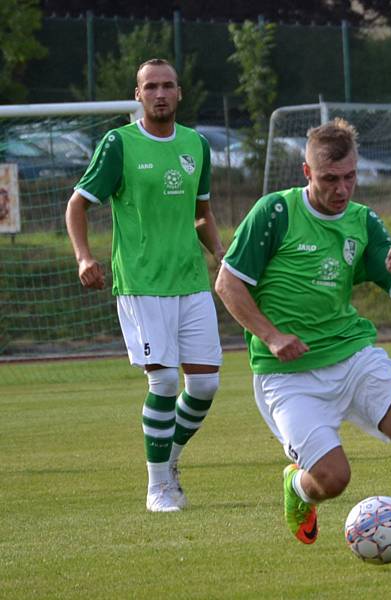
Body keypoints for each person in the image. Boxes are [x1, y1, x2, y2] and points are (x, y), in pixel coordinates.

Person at [215, 118, 391, 560]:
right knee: (332, 480)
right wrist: (272, 336)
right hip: (288, 375)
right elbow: (228, 284)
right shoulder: (275, 212)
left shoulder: (363, 221)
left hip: (353, 356)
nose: (343, 188)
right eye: (330, 179)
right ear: (306, 173)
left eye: (350, 177)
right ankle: (297, 486)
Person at [65, 58, 224, 513]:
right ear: (138, 95)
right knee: (165, 380)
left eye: (168, 86)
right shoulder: (119, 143)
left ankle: (170, 460)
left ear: (180, 93)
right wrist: (84, 257)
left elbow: (201, 213)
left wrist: (220, 254)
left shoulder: (196, 144)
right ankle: (157, 489)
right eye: (150, 86)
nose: (160, 93)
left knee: (206, 386)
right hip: (141, 282)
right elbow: (78, 204)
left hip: (191, 281)